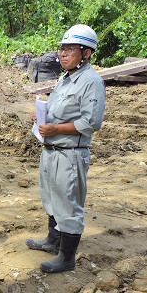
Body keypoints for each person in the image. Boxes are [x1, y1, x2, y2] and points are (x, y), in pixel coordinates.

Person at [26, 24, 105, 273]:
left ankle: (67, 257)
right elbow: (57, 108)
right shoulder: (65, 77)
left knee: (68, 204)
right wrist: (40, 115)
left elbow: (91, 123)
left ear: (86, 53)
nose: (63, 53)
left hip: (70, 154)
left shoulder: (91, 82)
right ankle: (53, 241)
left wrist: (56, 129)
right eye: (62, 48)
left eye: (70, 49)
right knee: (51, 198)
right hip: (51, 150)